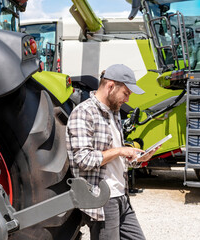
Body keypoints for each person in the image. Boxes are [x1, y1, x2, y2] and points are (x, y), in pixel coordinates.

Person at [66, 64, 160, 239]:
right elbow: (83, 159)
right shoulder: (84, 113)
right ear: (110, 86)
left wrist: (138, 158)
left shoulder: (114, 112)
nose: (127, 99)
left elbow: (116, 159)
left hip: (121, 195)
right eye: (126, 93)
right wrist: (120, 151)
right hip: (103, 199)